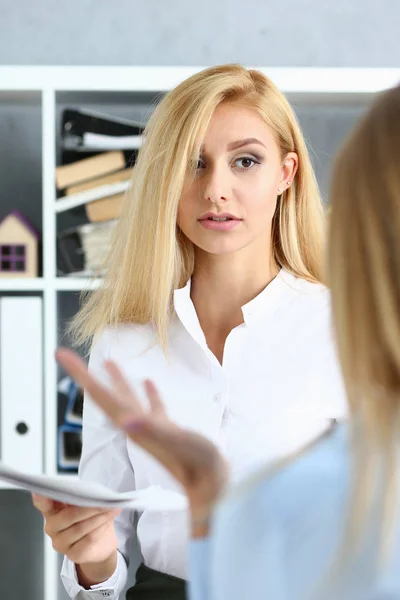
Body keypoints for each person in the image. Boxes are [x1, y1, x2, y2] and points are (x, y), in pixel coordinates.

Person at [55, 83, 400, 599]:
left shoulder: (343, 326)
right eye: (193, 162)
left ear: (286, 173)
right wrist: (93, 559)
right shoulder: (122, 341)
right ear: (164, 179)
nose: (216, 189)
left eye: (245, 161)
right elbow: (107, 561)